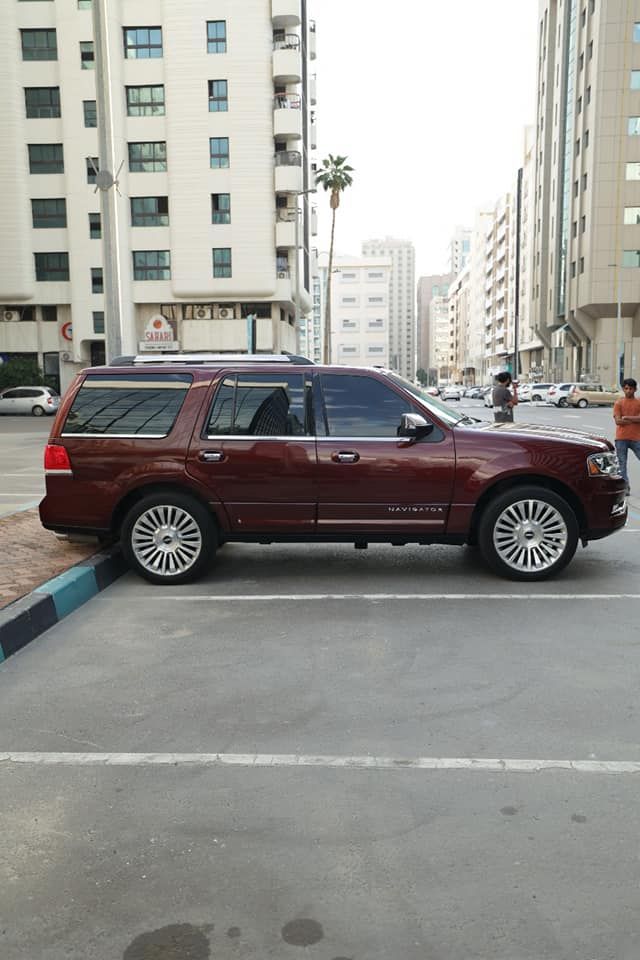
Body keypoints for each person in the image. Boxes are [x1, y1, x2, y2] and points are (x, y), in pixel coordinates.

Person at [613, 377, 640, 496]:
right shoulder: (619, 402)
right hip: (621, 438)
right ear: (623, 389)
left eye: (631, 388)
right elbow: (618, 421)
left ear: (635, 389)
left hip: (636, 438)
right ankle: (625, 488)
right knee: (622, 465)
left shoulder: (639, 402)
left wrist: (627, 418)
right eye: (626, 388)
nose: (628, 391)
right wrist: (635, 420)